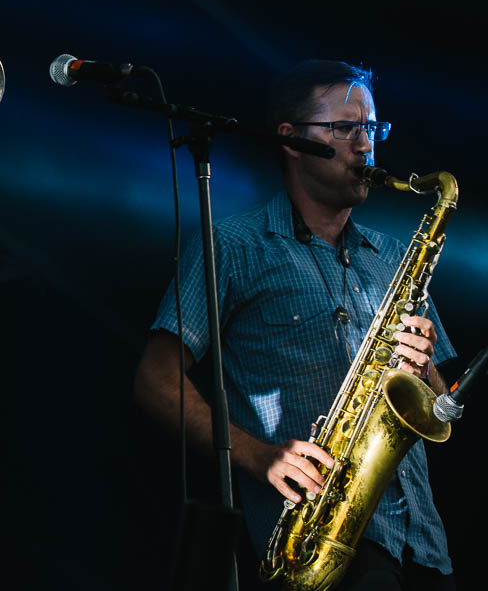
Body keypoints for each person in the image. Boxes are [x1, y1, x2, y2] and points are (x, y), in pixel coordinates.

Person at [133, 60, 455, 589]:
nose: (365, 145)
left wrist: (426, 374)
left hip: (424, 547)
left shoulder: (395, 257)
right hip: (318, 541)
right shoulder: (234, 245)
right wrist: (259, 456)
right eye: (345, 128)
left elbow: (443, 408)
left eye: (372, 128)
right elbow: (155, 378)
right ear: (291, 139)